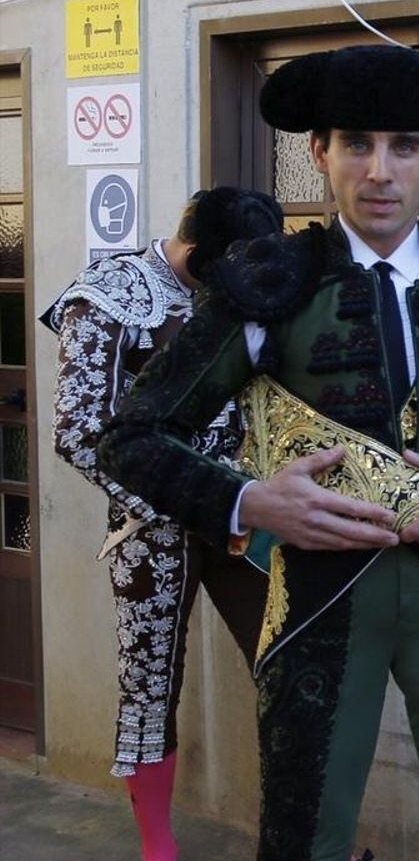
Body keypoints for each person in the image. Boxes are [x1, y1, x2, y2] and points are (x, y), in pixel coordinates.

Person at [97, 44, 419, 861]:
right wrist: (248, 502)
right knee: (304, 842)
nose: (379, 170)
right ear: (319, 153)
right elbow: (131, 436)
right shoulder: (267, 284)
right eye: (356, 143)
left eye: (405, 146)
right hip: (317, 606)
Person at [45, 187, 281, 861]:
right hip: (152, 525)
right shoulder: (111, 291)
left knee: (294, 662)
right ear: (199, 253)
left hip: (243, 513)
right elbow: (80, 431)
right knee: (149, 683)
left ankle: (309, 839)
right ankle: (159, 849)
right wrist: (179, 498)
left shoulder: (239, 291)